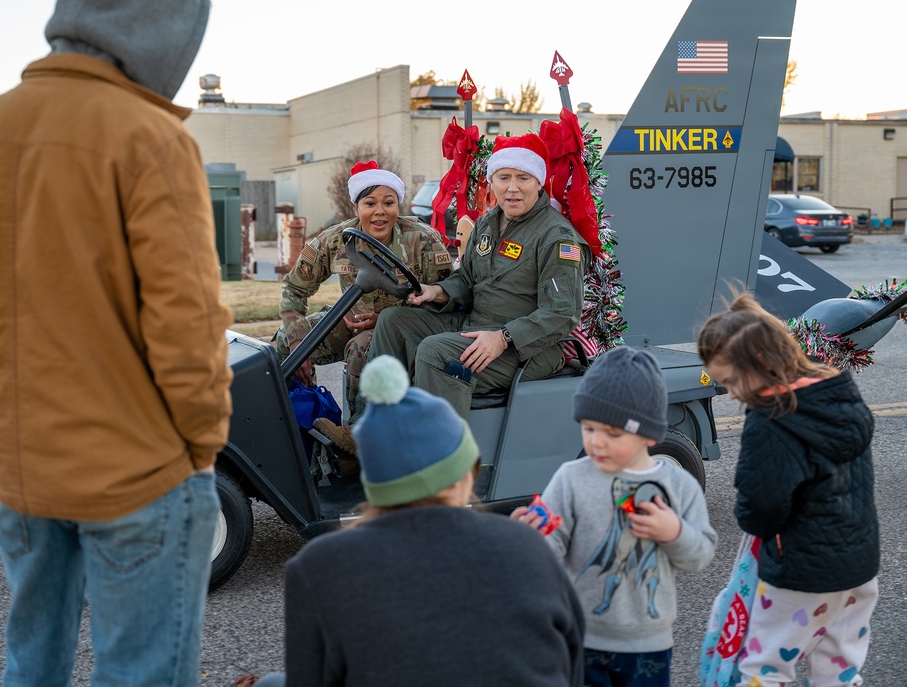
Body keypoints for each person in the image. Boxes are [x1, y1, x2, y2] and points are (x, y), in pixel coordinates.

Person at [0, 0, 233, 684]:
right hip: (141, 473)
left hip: (21, 466)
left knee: (31, 661)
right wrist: (202, 444)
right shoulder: (150, 138)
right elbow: (186, 325)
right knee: (140, 671)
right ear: (167, 33)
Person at [255, 355, 585, 687]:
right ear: (465, 476)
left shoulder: (316, 567)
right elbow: (571, 660)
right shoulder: (527, 544)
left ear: (375, 485)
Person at [332, 133, 587, 453]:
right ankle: (366, 430)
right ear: (492, 180)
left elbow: (561, 314)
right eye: (504, 177)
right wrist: (437, 291)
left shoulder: (556, 237)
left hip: (528, 346)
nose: (512, 187)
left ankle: (438, 462)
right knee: (394, 320)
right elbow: (466, 278)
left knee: (435, 352)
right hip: (478, 325)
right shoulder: (487, 225)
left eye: (523, 177)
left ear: (539, 182)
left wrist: (503, 338)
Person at [697, 293, 879, 687]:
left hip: (802, 574)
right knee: (839, 667)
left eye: (730, 381)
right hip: (859, 571)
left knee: (763, 665)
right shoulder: (837, 394)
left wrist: (751, 519)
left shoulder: (772, 420)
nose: (730, 394)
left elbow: (762, 505)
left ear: (759, 364)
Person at [512, 346, 717, 687]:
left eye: (614, 433)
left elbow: (702, 554)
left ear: (650, 434)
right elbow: (552, 547)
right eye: (589, 428)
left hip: (648, 645)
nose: (598, 444)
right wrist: (530, 538)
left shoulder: (677, 486)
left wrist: (674, 532)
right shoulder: (570, 478)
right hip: (582, 637)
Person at [276, 160, 452, 454]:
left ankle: (357, 437)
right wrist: (297, 343)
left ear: (399, 205)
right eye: (370, 203)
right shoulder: (337, 239)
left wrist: (384, 318)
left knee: (361, 347)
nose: (380, 211)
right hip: (348, 320)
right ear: (356, 207)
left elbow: (445, 300)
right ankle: (299, 425)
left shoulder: (422, 240)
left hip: (402, 329)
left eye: (389, 202)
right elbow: (294, 288)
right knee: (283, 344)